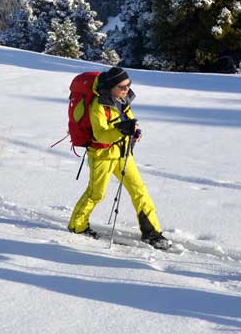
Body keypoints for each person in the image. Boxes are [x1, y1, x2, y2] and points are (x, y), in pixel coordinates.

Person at [67, 66, 172, 250]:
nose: (126, 90)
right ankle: (77, 225)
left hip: (123, 153)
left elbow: (128, 121)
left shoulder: (123, 100)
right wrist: (121, 130)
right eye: (122, 86)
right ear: (111, 86)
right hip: (102, 156)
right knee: (96, 194)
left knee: (139, 191)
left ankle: (152, 233)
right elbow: (100, 135)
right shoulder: (98, 105)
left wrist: (134, 132)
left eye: (128, 85)